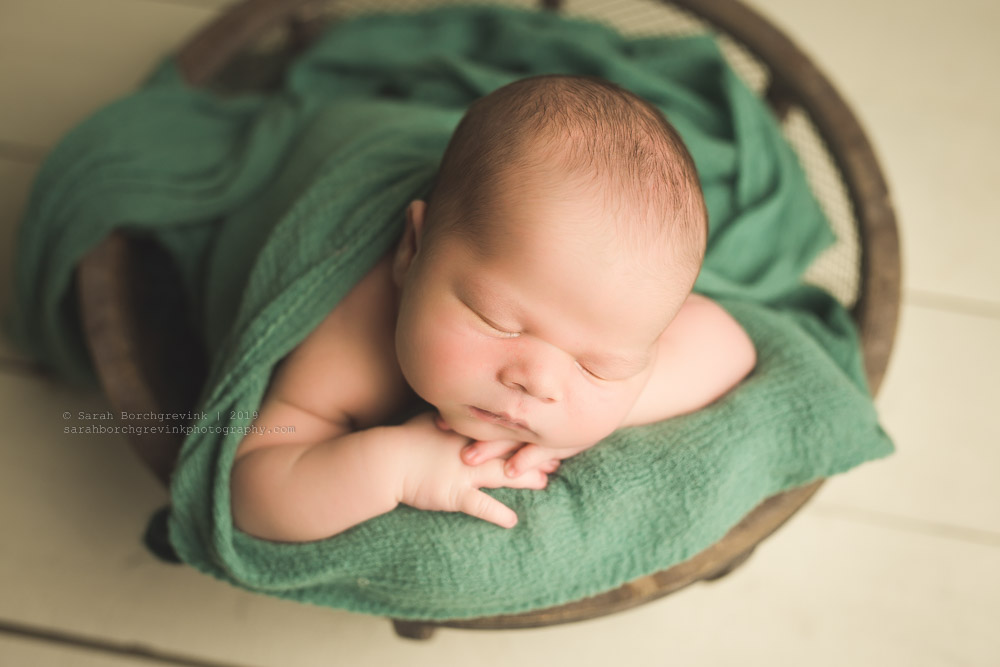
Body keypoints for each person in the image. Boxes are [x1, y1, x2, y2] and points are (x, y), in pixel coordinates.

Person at [229, 74, 757, 542]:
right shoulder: (355, 339)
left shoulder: (617, 308)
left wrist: (595, 415)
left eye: (598, 365)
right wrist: (392, 466)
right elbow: (252, 488)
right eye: (497, 322)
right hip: (343, 150)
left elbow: (729, 344)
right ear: (411, 254)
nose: (538, 382)